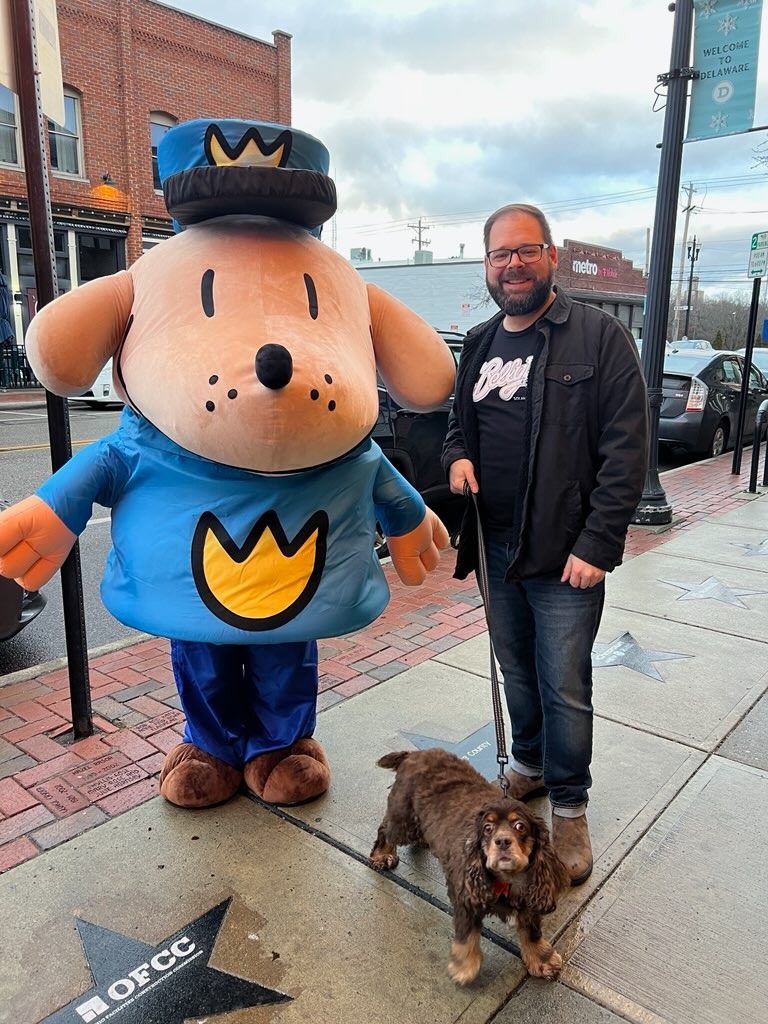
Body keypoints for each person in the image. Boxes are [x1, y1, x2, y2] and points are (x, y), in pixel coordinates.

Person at [442, 203, 648, 885]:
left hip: (566, 555)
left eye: (526, 250)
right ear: (488, 267)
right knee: (519, 670)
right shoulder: (476, 342)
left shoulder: (599, 338)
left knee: (565, 685)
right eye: (501, 255)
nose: (514, 264)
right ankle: (527, 765)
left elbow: (627, 450)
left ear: (551, 257)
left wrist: (598, 543)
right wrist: (456, 458)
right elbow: (456, 422)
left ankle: (569, 808)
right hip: (497, 546)